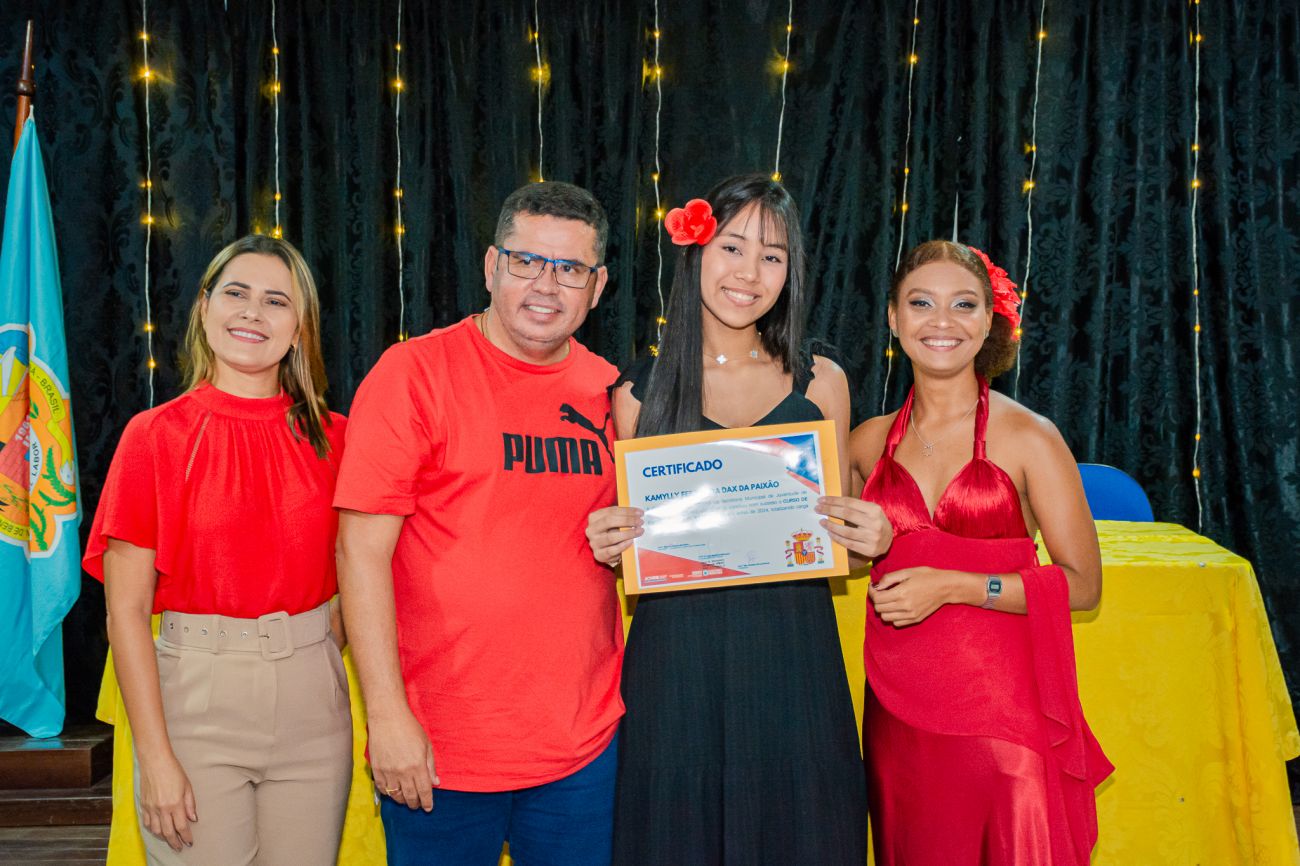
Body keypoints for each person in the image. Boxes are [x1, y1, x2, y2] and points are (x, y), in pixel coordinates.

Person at [584, 173, 888, 866]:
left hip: (793, 662)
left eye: (772, 255)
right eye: (731, 247)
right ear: (695, 252)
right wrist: (610, 541)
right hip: (677, 668)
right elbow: (630, 552)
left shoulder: (823, 383)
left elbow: (841, 547)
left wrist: (873, 539)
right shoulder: (636, 392)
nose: (749, 273)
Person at [334, 181, 624, 866]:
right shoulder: (414, 374)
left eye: (570, 268)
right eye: (527, 261)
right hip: (441, 749)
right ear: (493, 265)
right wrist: (387, 718)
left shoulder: (613, 390)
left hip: (581, 748)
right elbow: (358, 553)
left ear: (598, 286)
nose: (546, 285)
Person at [842, 239, 1114, 864]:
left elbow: (1083, 585)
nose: (942, 321)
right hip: (896, 716)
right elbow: (843, 557)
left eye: (963, 304)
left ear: (989, 321)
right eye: (921, 303)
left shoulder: (1031, 437)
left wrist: (956, 586)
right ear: (893, 318)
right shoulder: (866, 442)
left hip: (1003, 718)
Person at [84, 235, 352, 865]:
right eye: (236, 293)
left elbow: (363, 573)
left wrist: (312, 652)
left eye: (276, 301)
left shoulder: (340, 440)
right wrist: (155, 756)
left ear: (300, 328)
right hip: (195, 704)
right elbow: (125, 613)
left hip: (315, 707)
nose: (253, 312)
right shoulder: (153, 438)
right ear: (204, 307)